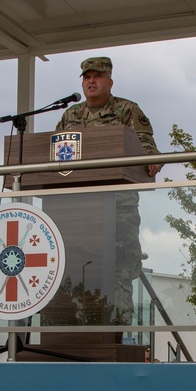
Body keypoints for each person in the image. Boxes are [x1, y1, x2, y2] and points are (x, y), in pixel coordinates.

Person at [54, 56, 161, 324]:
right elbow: (51, 155)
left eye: (98, 76)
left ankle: (116, 335)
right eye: (87, 76)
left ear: (110, 82)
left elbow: (146, 146)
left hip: (118, 207)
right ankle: (74, 334)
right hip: (77, 211)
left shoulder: (127, 110)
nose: (91, 80)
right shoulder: (70, 115)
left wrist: (151, 157)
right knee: (75, 272)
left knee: (118, 273)